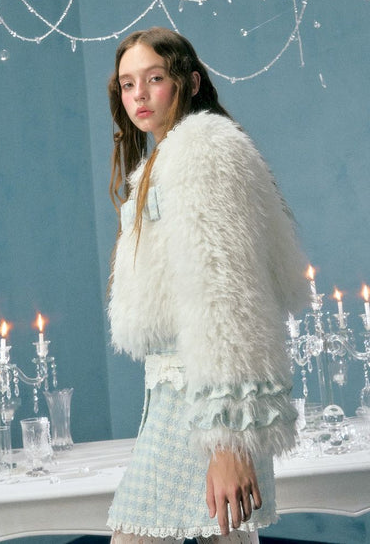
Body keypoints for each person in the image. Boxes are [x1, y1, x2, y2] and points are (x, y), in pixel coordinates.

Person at [106, 27, 308, 544]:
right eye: (128, 84)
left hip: (208, 405)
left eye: (154, 78)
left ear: (190, 82)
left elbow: (228, 296)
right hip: (182, 396)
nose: (139, 95)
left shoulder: (203, 152)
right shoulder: (166, 159)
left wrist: (229, 441)